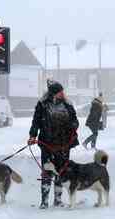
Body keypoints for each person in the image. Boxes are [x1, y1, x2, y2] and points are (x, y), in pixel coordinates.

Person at [28, 80, 79, 209]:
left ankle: (57, 200)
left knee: (61, 172)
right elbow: (36, 121)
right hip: (47, 143)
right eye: (60, 92)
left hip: (64, 144)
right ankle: (44, 201)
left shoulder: (68, 105)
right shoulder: (42, 105)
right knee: (47, 171)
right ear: (54, 93)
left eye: (63, 91)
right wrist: (33, 136)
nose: (63, 94)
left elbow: (75, 120)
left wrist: (74, 125)